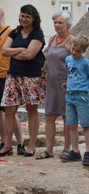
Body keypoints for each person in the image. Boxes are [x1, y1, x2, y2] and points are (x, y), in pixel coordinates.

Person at [0, 4, 45, 158]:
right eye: (22, 15)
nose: (24, 19)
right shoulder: (15, 32)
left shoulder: (38, 34)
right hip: (13, 75)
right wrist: (20, 50)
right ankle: (8, 145)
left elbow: (30, 55)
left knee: (32, 109)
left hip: (30, 76)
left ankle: (31, 145)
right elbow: (4, 51)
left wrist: (14, 52)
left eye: (27, 16)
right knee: (9, 110)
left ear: (34, 18)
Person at [0, 4, 25, 155]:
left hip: (6, 76)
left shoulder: (10, 31)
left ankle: (20, 143)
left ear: (1, 15)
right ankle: (5, 143)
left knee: (10, 111)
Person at [37, 11, 74, 160]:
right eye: (55, 23)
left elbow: (75, 62)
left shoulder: (72, 41)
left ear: (68, 24)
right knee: (49, 116)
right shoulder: (52, 39)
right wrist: (43, 76)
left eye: (60, 23)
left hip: (66, 83)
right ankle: (49, 149)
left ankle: (67, 148)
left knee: (67, 117)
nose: (57, 25)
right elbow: (46, 60)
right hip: (51, 83)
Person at [61, 34, 89, 165]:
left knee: (86, 125)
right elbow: (71, 74)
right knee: (71, 125)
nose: (74, 52)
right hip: (70, 94)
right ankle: (75, 151)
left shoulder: (86, 63)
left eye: (78, 51)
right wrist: (68, 84)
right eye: (73, 49)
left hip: (82, 95)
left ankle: (88, 152)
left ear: (83, 51)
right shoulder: (68, 59)